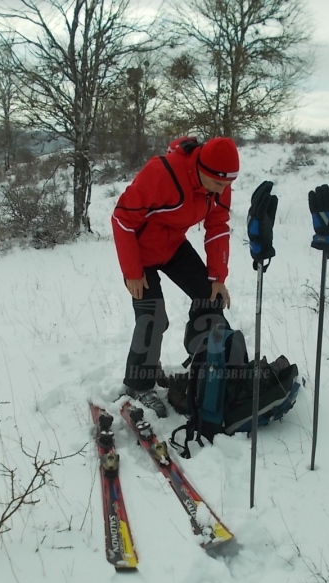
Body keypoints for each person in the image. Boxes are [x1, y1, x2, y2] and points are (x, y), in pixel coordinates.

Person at [111, 136, 240, 417]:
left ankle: (208, 363)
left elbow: (217, 225)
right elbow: (122, 219)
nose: (223, 190)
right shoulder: (161, 173)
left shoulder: (219, 184)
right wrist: (132, 271)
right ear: (202, 170)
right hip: (141, 250)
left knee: (210, 298)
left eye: (228, 184)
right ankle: (138, 384)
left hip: (172, 246)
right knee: (153, 317)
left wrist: (218, 276)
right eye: (218, 184)